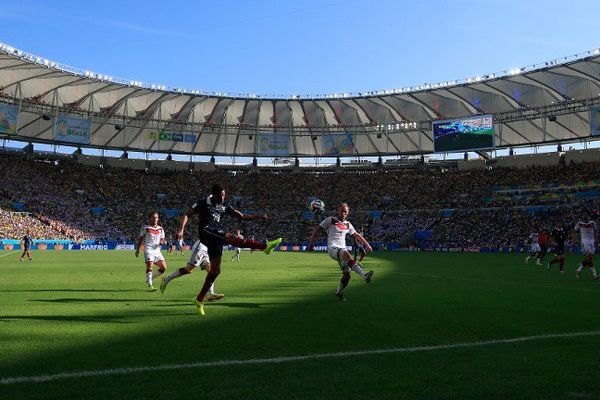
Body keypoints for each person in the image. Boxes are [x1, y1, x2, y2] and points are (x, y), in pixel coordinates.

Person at [176, 183, 282, 315]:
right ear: (213, 194)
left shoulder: (224, 206)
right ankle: (264, 247)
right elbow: (188, 214)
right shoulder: (203, 203)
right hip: (206, 231)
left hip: (215, 238)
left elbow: (241, 216)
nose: (223, 198)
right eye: (221, 195)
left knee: (215, 271)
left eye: (224, 195)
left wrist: (257, 216)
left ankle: (199, 299)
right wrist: (181, 228)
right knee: (231, 237)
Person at [308, 203, 373, 302]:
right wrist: (311, 243)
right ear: (338, 210)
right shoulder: (331, 220)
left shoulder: (348, 224)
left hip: (342, 251)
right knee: (347, 254)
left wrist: (367, 245)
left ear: (348, 213)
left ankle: (338, 292)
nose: (343, 213)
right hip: (333, 248)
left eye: (345, 211)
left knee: (347, 276)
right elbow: (317, 230)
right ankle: (364, 276)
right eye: (341, 211)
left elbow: (356, 235)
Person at [135, 211, 168, 291]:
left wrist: (163, 242)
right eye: (153, 217)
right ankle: (150, 285)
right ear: (150, 218)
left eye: (156, 217)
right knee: (150, 266)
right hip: (148, 250)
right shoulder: (145, 228)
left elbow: (163, 240)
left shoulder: (160, 228)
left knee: (163, 268)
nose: (155, 219)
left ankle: (150, 279)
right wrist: (137, 249)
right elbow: (140, 238)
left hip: (157, 251)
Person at [574, 212, 598, 280]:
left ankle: (578, 270)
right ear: (582, 216)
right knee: (589, 257)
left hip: (592, 241)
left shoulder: (593, 222)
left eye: (586, 214)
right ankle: (594, 274)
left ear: (588, 215)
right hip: (585, 241)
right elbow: (574, 230)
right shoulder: (579, 223)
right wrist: (575, 239)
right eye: (583, 214)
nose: (584, 216)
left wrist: (596, 240)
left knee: (589, 259)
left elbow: (596, 231)